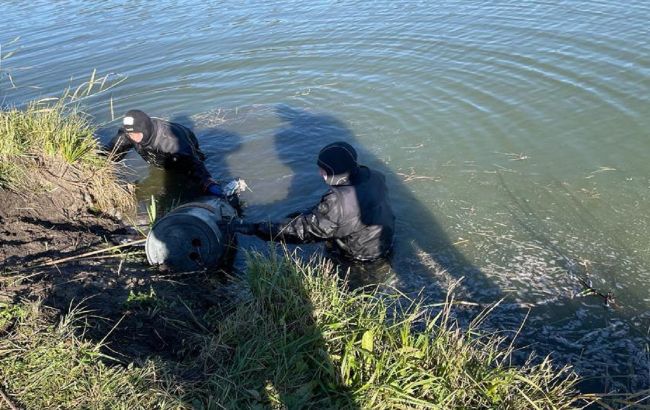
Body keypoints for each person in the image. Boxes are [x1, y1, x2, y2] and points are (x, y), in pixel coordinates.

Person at [247, 141, 395, 262]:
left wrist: (258, 229)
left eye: (324, 170)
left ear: (336, 172)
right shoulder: (375, 176)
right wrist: (304, 215)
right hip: (383, 242)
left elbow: (304, 232)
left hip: (360, 256)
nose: (320, 173)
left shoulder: (336, 202)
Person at [103, 109, 223, 196]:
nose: (132, 137)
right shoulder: (127, 134)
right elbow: (110, 153)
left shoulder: (172, 143)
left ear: (144, 130)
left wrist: (209, 184)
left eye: (136, 134)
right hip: (158, 155)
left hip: (183, 147)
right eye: (130, 134)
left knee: (188, 182)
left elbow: (194, 165)